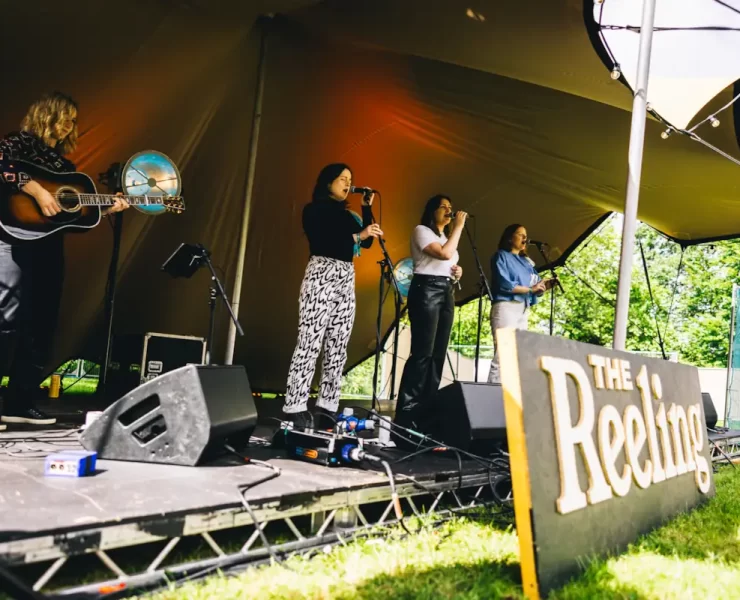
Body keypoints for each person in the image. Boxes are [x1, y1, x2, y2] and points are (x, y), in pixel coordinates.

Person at [0, 92, 130, 428]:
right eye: (68, 117)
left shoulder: (64, 167)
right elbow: (4, 167)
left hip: (47, 246)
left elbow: (70, 215)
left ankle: (19, 401)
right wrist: (38, 192)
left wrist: (106, 206)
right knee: (6, 318)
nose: (73, 125)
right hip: (11, 240)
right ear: (49, 116)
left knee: (41, 323)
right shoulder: (19, 143)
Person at [282, 163, 382, 429]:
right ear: (328, 182)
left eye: (350, 179)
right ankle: (294, 405)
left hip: (345, 276)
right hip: (321, 272)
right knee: (310, 340)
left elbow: (369, 240)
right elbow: (325, 240)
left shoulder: (348, 215)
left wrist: (367, 207)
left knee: (338, 344)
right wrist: (358, 235)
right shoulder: (314, 210)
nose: (347, 183)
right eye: (342, 178)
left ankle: (328, 405)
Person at [394, 195, 467, 433]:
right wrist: (458, 227)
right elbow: (443, 254)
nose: (449, 210)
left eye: (450, 206)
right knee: (423, 353)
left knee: (438, 354)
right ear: (432, 210)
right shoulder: (421, 231)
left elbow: (449, 259)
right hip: (426, 290)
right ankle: (406, 413)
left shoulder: (446, 237)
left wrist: (457, 272)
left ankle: (427, 412)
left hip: (446, 291)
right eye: (444, 207)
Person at [487, 224, 556, 384]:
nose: (525, 238)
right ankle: (491, 392)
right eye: (520, 234)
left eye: (526, 235)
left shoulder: (526, 262)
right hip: (506, 306)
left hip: (522, 309)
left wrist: (543, 286)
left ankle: (509, 395)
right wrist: (530, 289)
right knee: (503, 353)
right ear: (510, 238)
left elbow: (534, 283)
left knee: (517, 353)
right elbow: (504, 283)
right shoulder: (501, 256)